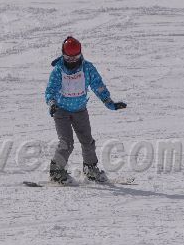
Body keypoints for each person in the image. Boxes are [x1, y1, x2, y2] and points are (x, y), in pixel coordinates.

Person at [45, 36, 127, 184]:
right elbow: (51, 90)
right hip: (61, 111)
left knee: (87, 141)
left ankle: (90, 170)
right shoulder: (58, 71)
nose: (72, 61)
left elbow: (98, 85)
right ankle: (56, 172)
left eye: (75, 57)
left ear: (80, 54)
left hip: (80, 111)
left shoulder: (87, 68)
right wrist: (52, 103)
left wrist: (109, 103)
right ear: (63, 55)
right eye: (68, 58)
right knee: (66, 143)